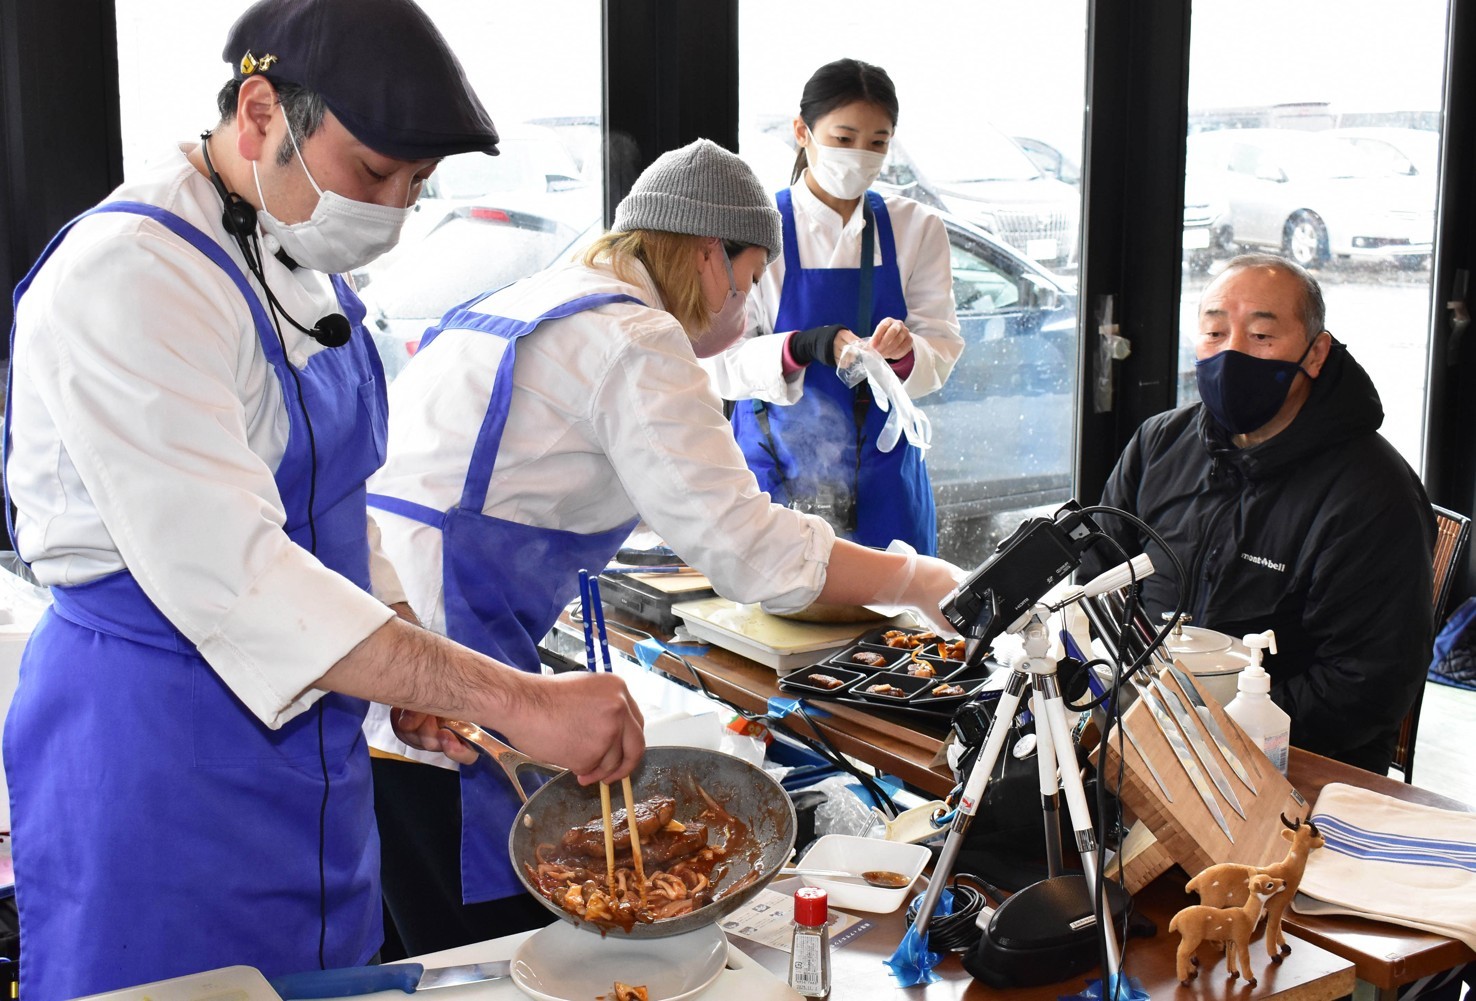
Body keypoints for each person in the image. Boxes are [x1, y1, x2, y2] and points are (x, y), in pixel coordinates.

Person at [1, 2, 644, 998]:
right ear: (261, 112)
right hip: (157, 754)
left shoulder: (300, 256)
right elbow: (240, 577)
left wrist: (407, 663)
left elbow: (338, 504)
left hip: (317, 755)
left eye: (416, 186)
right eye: (374, 172)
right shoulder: (130, 276)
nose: (391, 210)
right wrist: (514, 698)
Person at [362, 137, 968, 954]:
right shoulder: (635, 336)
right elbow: (752, 551)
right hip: (447, 687)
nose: (749, 303)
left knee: (426, 944)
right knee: (490, 951)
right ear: (709, 256)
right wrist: (916, 577)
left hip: (387, 655)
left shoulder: (548, 297)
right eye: (751, 277)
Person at [1083, 253, 1434, 773]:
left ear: (1316, 353)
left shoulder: (1373, 493)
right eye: (1215, 332)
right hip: (1142, 730)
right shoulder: (1160, 443)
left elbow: (1366, 684)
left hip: (1293, 756)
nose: (1232, 353)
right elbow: (1095, 576)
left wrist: (1210, 731)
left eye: (1262, 336)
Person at [701, 58, 962, 556]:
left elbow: (942, 346)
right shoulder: (756, 227)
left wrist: (904, 354)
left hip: (886, 471)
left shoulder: (917, 228)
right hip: (774, 466)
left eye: (877, 143)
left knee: (897, 600)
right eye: (844, 138)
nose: (860, 155)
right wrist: (803, 346)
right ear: (802, 131)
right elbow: (717, 362)